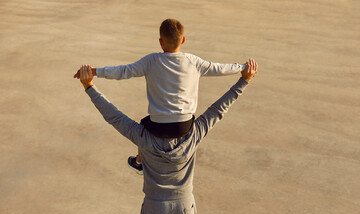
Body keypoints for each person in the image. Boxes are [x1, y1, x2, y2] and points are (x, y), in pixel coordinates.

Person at [77, 58, 258, 214]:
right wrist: (244, 81)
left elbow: (114, 116)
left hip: (155, 208)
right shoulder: (193, 134)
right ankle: (140, 162)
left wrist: (89, 86)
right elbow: (218, 109)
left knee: (140, 124)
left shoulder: (144, 136)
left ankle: (140, 162)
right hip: (185, 206)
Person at [74, 18, 247, 175]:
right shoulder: (194, 62)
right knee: (163, 122)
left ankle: (140, 162)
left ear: (160, 42)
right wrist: (242, 67)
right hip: (185, 127)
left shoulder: (151, 61)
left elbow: (123, 71)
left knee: (144, 125)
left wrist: (95, 71)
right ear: (183, 40)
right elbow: (220, 68)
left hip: (158, 127)